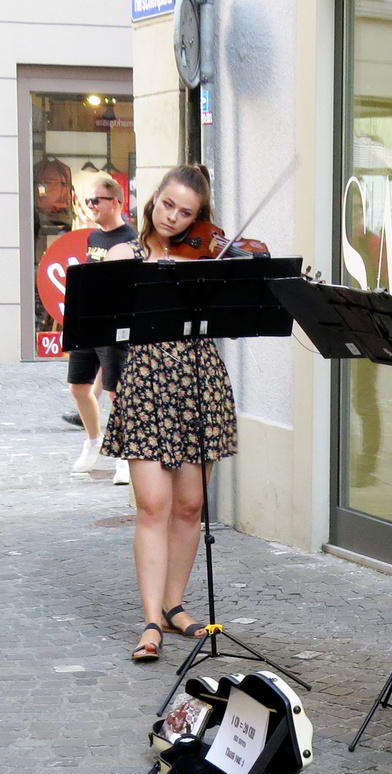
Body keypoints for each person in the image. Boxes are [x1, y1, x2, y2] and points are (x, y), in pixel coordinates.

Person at [101, 164, 237, 661]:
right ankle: (151, 621)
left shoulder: (205, 256)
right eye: (167, 205)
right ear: (152, 199)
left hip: (198, 379)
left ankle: (176, 605)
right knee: (154, 505)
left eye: (187, 213)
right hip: (146, 383)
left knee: (190, 506)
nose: (174, 219)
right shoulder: (124, 253)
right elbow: (107, 322)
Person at [68, 174, 134, 484]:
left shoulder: (130, 240)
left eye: (97, 200)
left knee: (115, 392)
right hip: (88, 320)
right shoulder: (93, 238)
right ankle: (94, 441)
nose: (91, 206)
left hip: (114, 325)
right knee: (78, 386)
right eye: (88, 201)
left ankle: (123, 455)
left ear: (116, 202)